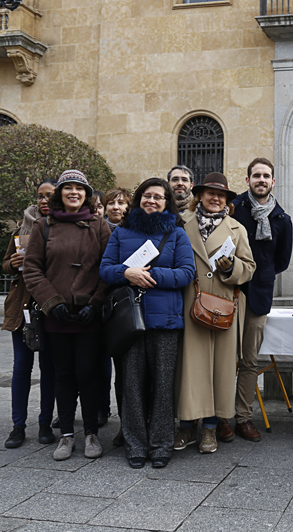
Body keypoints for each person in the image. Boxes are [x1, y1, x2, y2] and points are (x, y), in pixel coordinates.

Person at [100, 178, 195, 468]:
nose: (151, 201)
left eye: (158, 197)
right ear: (138, 199)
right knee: (131, 384)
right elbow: (105, 271)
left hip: (165, 321)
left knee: (164, 386)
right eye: (146, 196)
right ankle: (136, 444)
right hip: (129, 321)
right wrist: (127, 273)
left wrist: (152, 276)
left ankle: (161, 444)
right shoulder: (122, 232)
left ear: (167, 202)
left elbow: (186, 273)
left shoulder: (177, 234)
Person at [23, 170, 111, 461]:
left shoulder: (99, 226)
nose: (74, 192)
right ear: (59, 193)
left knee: (87, 373)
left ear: (87, 194)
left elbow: (109, 268)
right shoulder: (43, 226)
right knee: (62, 374)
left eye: (80, 188)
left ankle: (90, 433)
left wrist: (95, 303)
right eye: (68, 188)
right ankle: (67, 436)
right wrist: (50, 301)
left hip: (88, 315)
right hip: (56, 315)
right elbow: (32, 268)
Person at [174, 173, 255, 454]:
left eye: (221, 195)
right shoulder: (181, 224)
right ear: (200, 195)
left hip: (223, 306)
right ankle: (186, 425)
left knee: (220, 369)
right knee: (190, 367)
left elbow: (249, 267)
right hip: (191, 305)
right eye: (210, 193)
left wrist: (230, 268)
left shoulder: (237, 229)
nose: (215, 198)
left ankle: (210, 427)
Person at [225, 157, 293, 442]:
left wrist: (260, 274)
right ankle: (220, 418)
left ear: (273, 181)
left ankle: (243, 418)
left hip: (259, 295)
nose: (261, 180)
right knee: (226, 358)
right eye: (256, 176)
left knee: (250, 361)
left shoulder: (282, 219)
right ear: (247, 180)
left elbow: (282, 261)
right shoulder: (234, 209)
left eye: (266, 176)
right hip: (229, 292)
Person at [1, 179, 58, 449]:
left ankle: (45, 423)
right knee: (21, 368)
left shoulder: (63, 228)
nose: (44, 201)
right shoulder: (21, 228)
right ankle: (17, 426)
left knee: (49, 369)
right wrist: (12, 264)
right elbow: (5, 264)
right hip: (22, 308)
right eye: (40, 196)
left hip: (49, 307)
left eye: (50, 196)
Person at [99, 186, 133, 444]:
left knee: (125, 370)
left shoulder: (130, 232)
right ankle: (101, 409)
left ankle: (127, 423)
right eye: (111, 203)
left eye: (121, 203)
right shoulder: (96, 231)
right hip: (99, 304)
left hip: (123, 307)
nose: (116, 208)